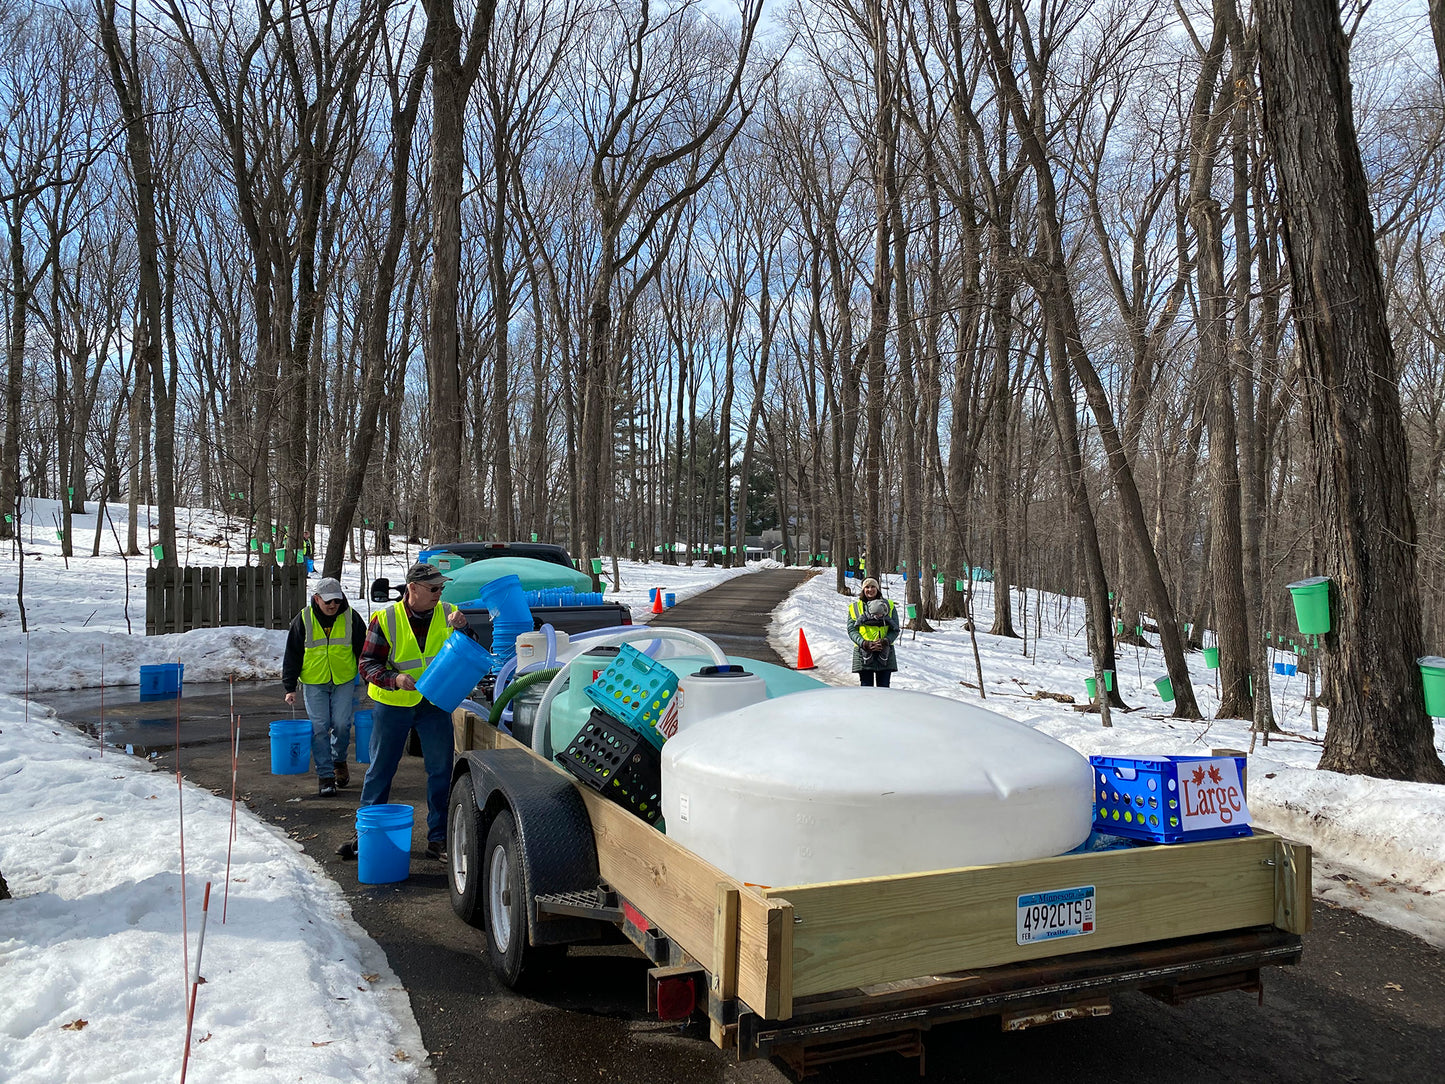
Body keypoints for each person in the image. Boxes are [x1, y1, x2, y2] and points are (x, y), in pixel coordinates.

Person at [337, 561, 469, 862]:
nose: (439, 593)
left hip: (434, 702)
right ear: (412, 589)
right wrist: (394, 679)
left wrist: (465, 628)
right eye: (433, 588)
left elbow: (466, 650)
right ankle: (366, 836)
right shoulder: (386, 618)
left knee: (440, 772)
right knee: (380, 771)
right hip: (393, 703)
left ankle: (438, 839)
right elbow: (367, 664)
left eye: (441, 588)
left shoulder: (449, 613)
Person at [282, 577, 367, 796]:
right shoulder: (303, 619)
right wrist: (289, 687)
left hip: (344, 679)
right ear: (317, 598)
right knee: (319, 727)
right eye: (328, 601)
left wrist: (370, 678)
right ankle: (326, 775)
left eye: (337, 601)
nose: (332, 606)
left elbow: (364, 651)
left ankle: (339, 760)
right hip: (313, 681)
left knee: (341, 724)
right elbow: (292, 654)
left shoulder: (352, 618)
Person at [848, 577, 899, 687]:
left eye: (873, 586)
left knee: (884, 688)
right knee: (866, 689)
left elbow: (895, 629)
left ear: (878, 589)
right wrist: (864, 643)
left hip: (885, 650)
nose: (870, 589)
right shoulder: (855, 607)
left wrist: (885, 641)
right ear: (863, 589)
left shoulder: (889, 605)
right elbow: (852, 630)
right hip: (863, 651)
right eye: (867, 587)